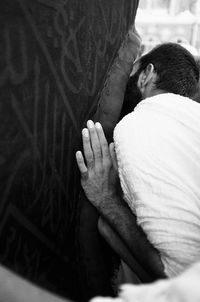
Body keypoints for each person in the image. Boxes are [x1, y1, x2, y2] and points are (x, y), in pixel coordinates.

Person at [76, 42, 200, 283]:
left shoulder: (137, 127)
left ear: (147, 74)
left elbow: (181, 275)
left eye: (132, 69)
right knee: (107, 228)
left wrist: (105, 197)